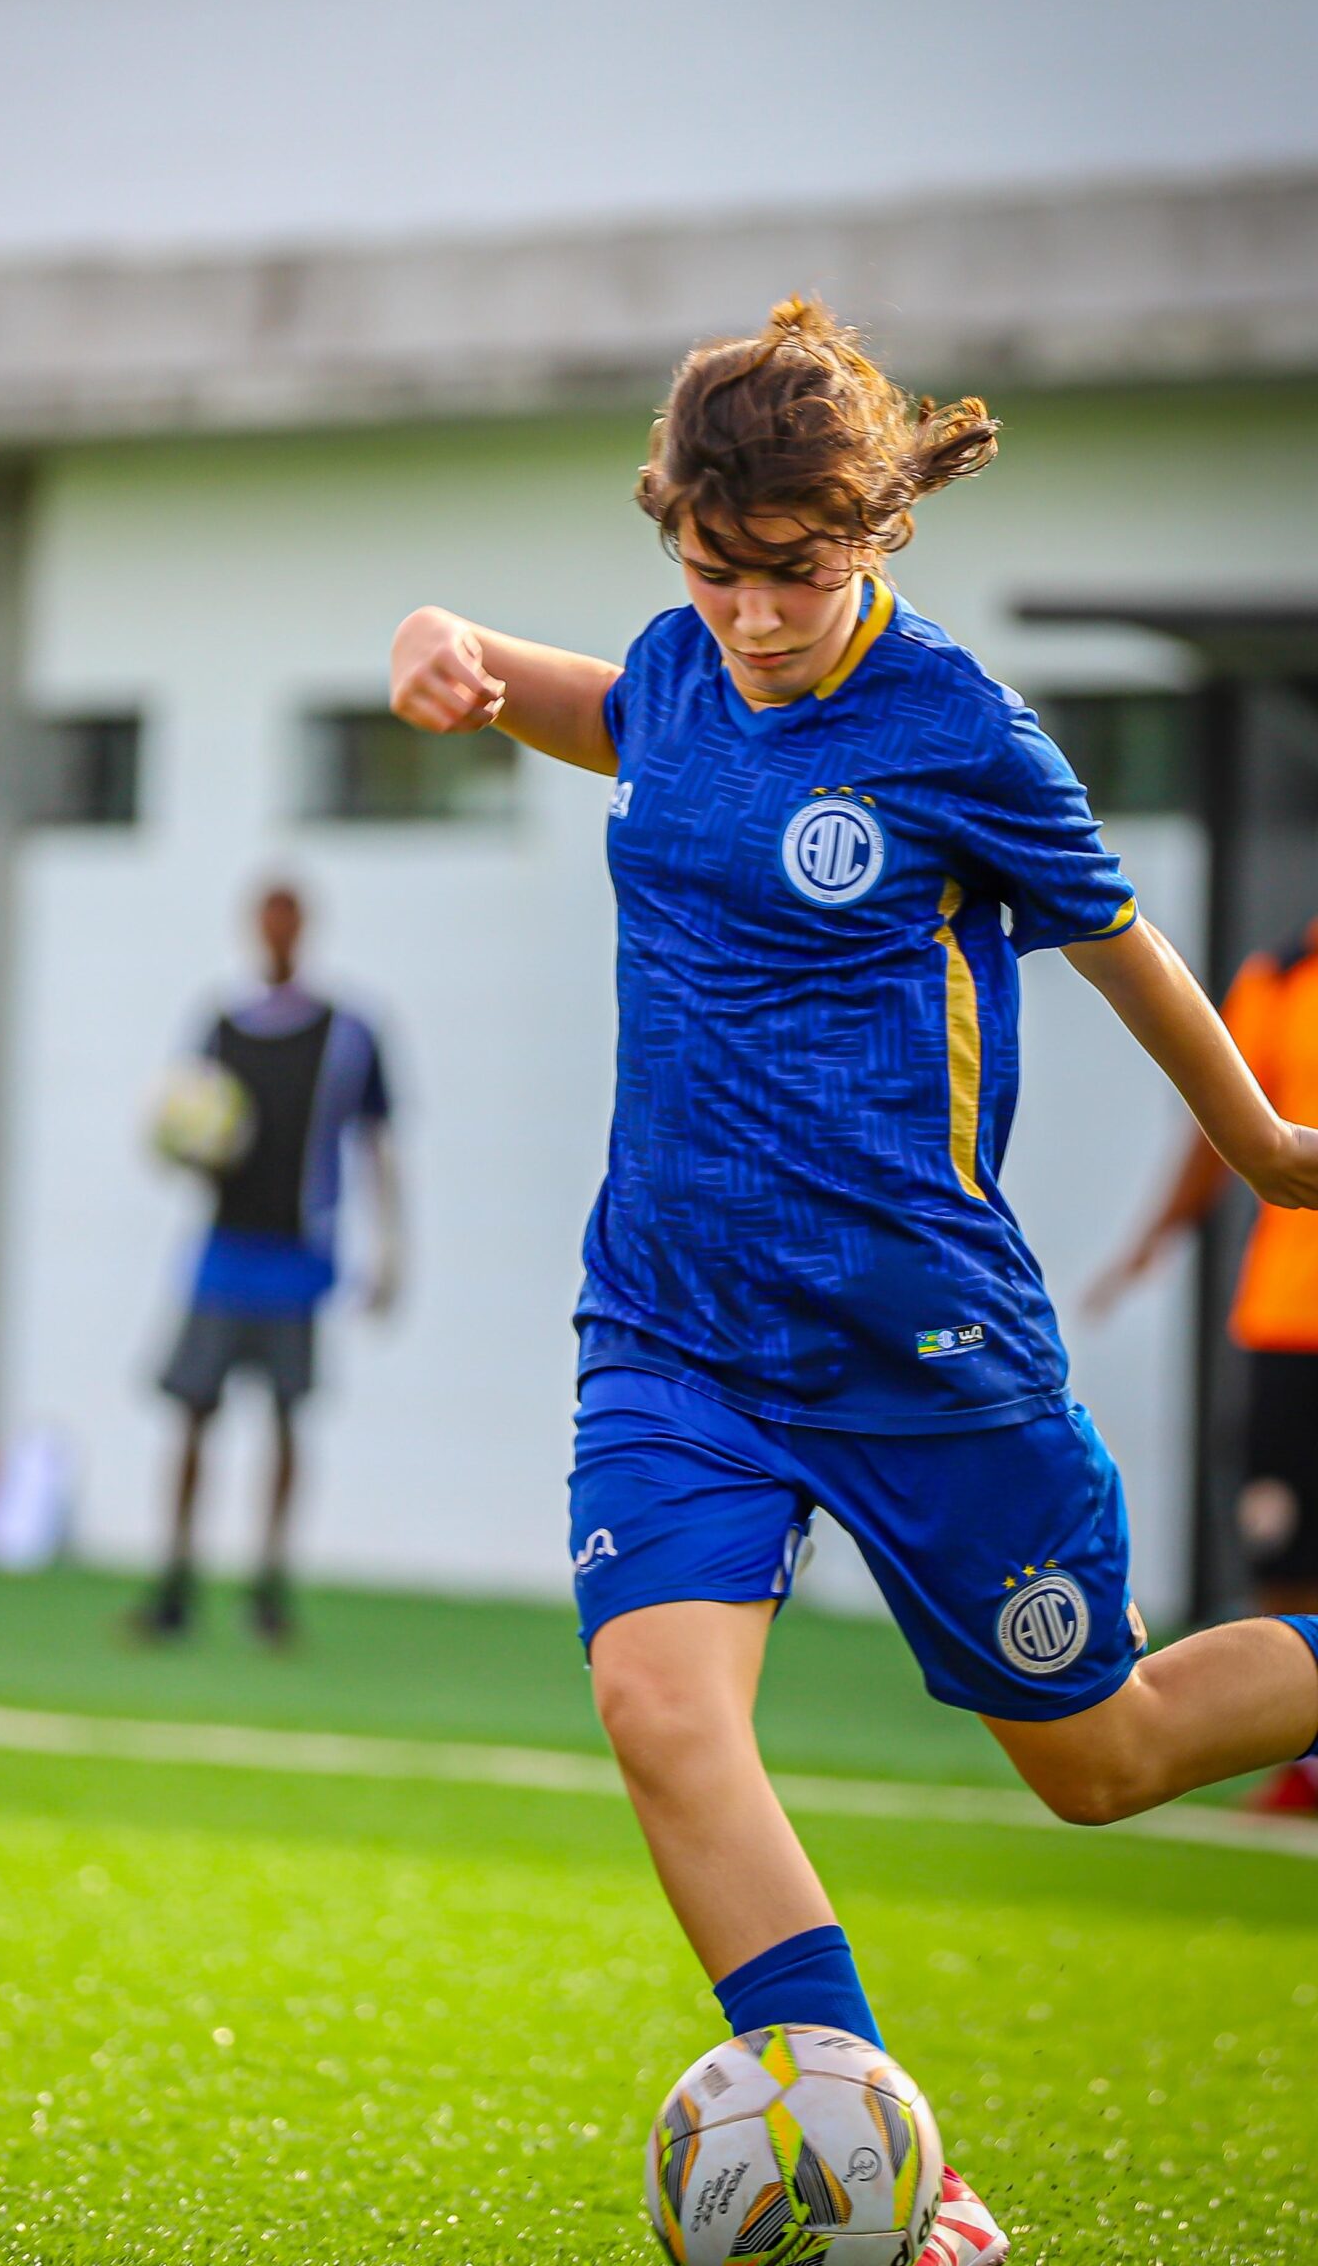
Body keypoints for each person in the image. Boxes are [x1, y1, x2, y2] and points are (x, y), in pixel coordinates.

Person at [388, 299, 1318, 2266]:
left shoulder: (960, 730)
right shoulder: (678, 667)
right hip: (672, 1325)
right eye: (709, 572)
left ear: (872, 530)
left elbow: (1128, 947)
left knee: (1106, 1758)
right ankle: (903, 2176)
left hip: (923, 1339)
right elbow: (606, 709)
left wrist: (1266, 1151)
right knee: (661, 1705)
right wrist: (462, 653)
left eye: (790, 575)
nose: (746, 613)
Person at [1090, 917, 1318, 1812]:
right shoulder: (1281, 973)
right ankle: (1307, 1768)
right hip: (1287, 1316)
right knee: (1282, 1532)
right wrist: (1157, 1234)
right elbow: (1231, 1121)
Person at [138, 883, 400, 1645]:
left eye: (289, 919)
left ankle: (269, 1585)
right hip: (223, 1253)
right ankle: (175, 1582)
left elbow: (378, 1142)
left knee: (287, 1419)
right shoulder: (221, 1026)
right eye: (266, 919)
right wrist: (188, 1154)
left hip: (300, 1257)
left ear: (304, 928)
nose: (277, 932)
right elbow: (184, 1122)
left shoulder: (350, 1031)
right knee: (192, 1411)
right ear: (253, 928)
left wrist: (390, 1250)